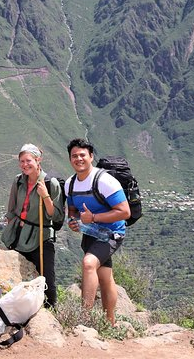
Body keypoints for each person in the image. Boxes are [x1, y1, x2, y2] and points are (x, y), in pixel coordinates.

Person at [65, 138, 130, 326]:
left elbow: (125, 212)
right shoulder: (70, 184)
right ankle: (109, 323)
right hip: (90, 234)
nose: (78, 159)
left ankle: (84, 319)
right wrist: (73, 221)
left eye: (82, 155)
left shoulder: (105, 181)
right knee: (105, 277)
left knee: (88, 264)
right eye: (74, 156)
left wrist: (93, 218)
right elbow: (72, 209)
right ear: (70, 159)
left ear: (91, 156)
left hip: (111, 234)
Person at [1, 144, 64, 308]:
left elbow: (55, 215)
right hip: (20, 234)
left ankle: (50, 311)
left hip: (42, 237)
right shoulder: (18, 181)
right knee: (19, 277)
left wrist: (45, 196)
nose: (24, 165)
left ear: (38, 160)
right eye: (21, 161)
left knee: (46, 279)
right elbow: (11, 209)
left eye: (28, 160)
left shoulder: (51, 183)